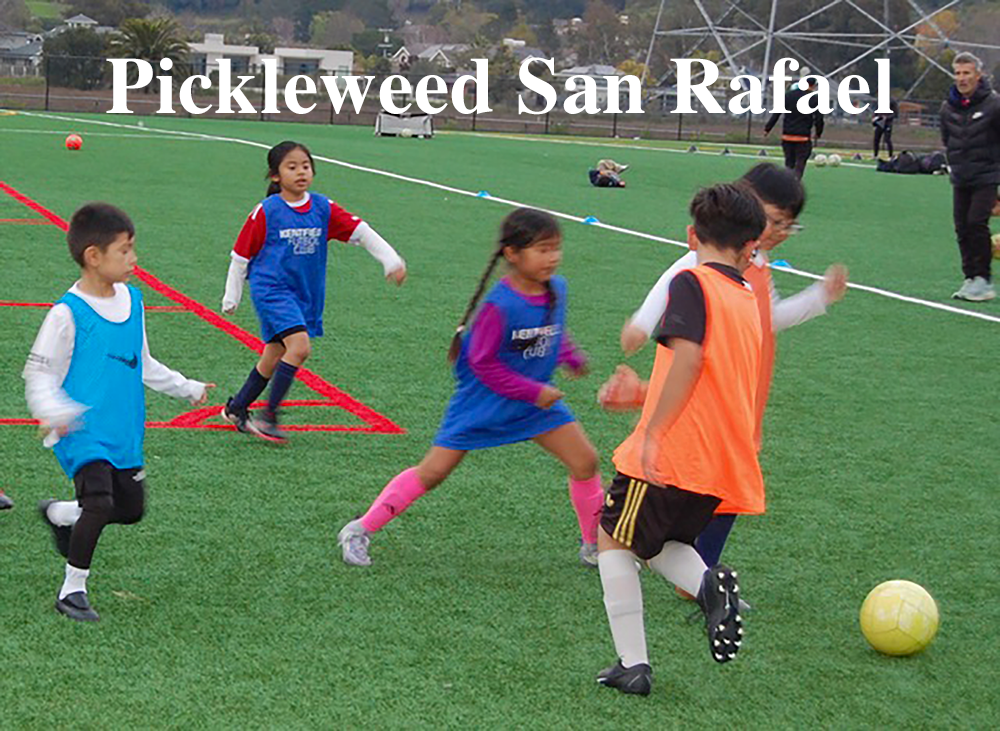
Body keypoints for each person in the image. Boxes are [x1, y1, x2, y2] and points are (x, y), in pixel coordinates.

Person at [611, 164, 847, 580]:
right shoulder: (717, 255)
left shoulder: (758, 264)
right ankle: (697, 575)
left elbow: (767, 317)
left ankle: (702, 576)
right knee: (685, 487)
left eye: (788, 226)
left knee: (723, 492)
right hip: (709, 398)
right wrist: (643, 323)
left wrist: (819, 298)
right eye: (774, 220)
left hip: (739, 399)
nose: (778, 232)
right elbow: (679, 272)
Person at [338, 208, 603, 568]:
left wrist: (570, 357)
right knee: (432, 472)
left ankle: (594, 545)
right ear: (512, 254)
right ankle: (359, 529)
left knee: (586, 461)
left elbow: (552, 329)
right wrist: (533, 391)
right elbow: (483, 364)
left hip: (534, 405)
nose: (552, 257)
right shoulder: (499, 305)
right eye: (542, 249)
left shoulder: (558, 287)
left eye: (556, 248)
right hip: (484, 404)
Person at [595, 183, 768, 696]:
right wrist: (642, 395)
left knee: (612, 539)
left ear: (691, 237)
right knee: (661, 544)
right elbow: (715, 379)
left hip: (673, 452)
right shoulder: (746, 298)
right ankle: (706, 585)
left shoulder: (691, 282)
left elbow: (690, 361)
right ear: (751, 247)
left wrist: (653, 431)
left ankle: (635, 663)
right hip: (718, 460)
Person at [24, 203, 212, 622]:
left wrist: (186, 387)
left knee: (129, 509)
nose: (134, 258)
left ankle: (60, 514)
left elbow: (142, 362)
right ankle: (72, 590)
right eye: (124, 250)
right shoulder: (66, 314)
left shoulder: (134, 300)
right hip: (80, 429)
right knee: (98, 500)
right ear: (94, 256)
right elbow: (39, 375)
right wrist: (54, 412)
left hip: (123, 427)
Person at [220, 140, 407, 442]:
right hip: (272, 291)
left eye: (305, 166)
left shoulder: (322, 208)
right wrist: (233, 295)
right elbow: (241, 256)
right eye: (292, 167)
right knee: (299, 347)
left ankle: (237, 407)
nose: (301, 172)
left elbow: (361, 232)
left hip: (304, 293)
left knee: (274, 354)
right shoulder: (267, 211)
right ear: (275, 175)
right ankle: (269, 417)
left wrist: (391, 260)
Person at [940, 52, 1000, 302]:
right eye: (958, 73)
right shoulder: (947, 108)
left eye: (967, 73)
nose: (962, 78)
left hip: (987, 175)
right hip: (961, 176)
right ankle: (970, 277)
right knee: (962, 227)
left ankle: (983, 280)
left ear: (978, 75)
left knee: (976, 223)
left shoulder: (993, 105)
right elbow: (947, 140)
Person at [764, 77, 825, 179]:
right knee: (800, 163)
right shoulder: (814, 98)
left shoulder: (787, 96)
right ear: (813, 85)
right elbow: (819, 118)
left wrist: (768, 128)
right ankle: (795, 183)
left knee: (789, 163)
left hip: (787, 136)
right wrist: (818, 133)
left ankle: (787, 183)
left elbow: (776, 113)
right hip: (803, 137)